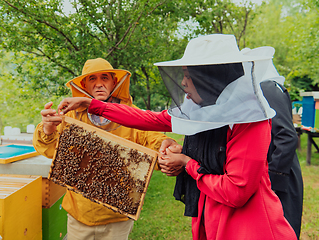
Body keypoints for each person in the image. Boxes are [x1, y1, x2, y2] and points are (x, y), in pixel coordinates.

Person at [57, 34, 297, 240]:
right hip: (210, 218)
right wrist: (93, 104)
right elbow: (149, 119)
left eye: (188, 75)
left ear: (209, 78)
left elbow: (236, 191)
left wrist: (187, 164)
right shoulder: (203, 110)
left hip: (249, 228)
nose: (182, 83)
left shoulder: (249, 121)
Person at [33, 58, 172, 240]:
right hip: (79, 215)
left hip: (117, 218)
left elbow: (153, 138)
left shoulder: (130, 113)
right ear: (84, 85)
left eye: (104, 78)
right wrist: (47, 128)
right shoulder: (71, 116)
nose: (99, 84)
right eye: (92, 79)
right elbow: (49, 149)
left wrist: (165, 146)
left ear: (114, 82)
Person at [241, 47, 304, 239]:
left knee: (283, 227)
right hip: (278, 169)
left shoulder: (268, 88)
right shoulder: (270, 87)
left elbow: (287, 136)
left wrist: (273, 180)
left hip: (282, 173)